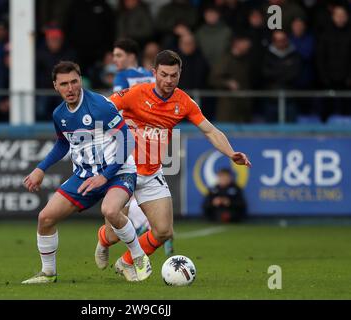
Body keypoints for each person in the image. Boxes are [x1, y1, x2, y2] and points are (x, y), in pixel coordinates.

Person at [95, 50, 251, 281]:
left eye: (174, 76)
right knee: (113, 232)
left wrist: (230, 153)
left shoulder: (184, 102)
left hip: (151, 173)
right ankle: (103, 240)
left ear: (180, 74)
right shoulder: (135, 94)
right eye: (164, 75)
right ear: (154, 73)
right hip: (124, 171)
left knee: (163, 232)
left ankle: (126, 262)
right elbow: (103, 109)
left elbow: (209, 130)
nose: (168, 80)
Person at [21, 61, 152, 284]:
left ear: (80, 80)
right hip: (85, 176)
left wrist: (105, 175)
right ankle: (48, 273)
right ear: (56, 86)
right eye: (64, 84)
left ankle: (138, 258)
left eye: (74, 81)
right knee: (45, 218)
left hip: (119, 171)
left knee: (110, 210)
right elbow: (63, 144)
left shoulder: (99, 106)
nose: (70, 88)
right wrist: (40, 168)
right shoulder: (59, 114)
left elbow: (128, 140)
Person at [112, 38, 175, 256]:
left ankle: (143, 227)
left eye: (119, 55)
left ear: (131, 55)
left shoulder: (122, 77)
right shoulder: (152, 76)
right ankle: (153, 226)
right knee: (147, 183)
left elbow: (116, 110)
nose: (115, 60)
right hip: (154, 141)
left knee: (126, 193)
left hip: (129, 142)